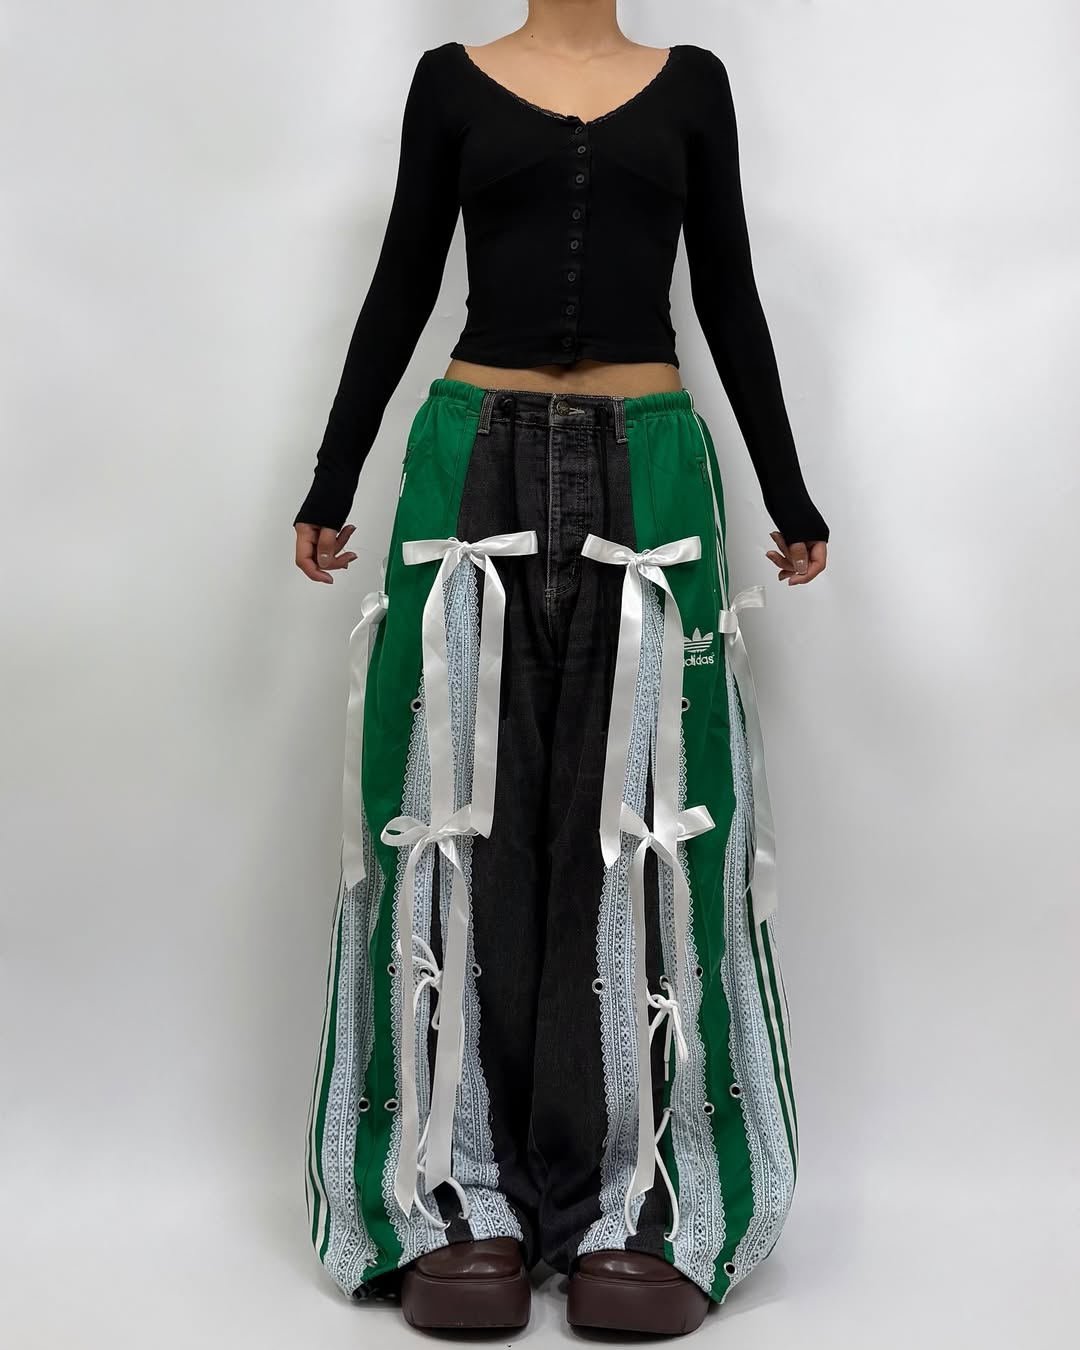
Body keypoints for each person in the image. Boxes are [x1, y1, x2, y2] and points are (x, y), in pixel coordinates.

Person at [294, 5, 828, 1338]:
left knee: (650, 827)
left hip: (652, 465)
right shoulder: (449, 84)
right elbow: (404, 278)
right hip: (466, 461)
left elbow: (727, 291)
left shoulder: (693, 85)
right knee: (450, 822)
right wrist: (331, 476)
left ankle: (642, 1205)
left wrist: (789, 492)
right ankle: (452, 1195)